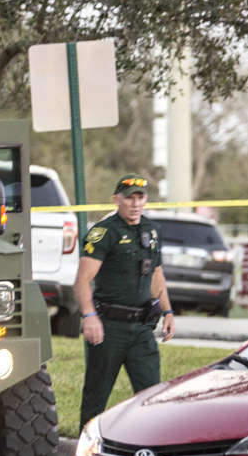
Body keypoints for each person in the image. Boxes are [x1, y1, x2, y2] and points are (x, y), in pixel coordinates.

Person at [74, 174, 175, 430]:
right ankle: (85, 453)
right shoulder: (104, 232)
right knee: (96, 399)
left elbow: (156, 273)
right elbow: (82, 280)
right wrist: (89, 316)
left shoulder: (152, 230)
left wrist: (168, 311)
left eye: (140, 197)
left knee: (152, 396)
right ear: (117, 199)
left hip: (141, 328)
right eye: (130, 198)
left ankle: (147, 452)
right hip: (109, 329)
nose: (136, 203)